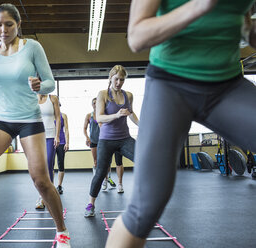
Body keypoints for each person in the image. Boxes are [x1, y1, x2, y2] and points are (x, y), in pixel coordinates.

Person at [106, 1, 256, 247]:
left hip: (228, 86)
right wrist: (200, 5)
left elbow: (244, 22)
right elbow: (136, 37)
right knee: (145, 208)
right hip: (170, 86)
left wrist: (247, 30)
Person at [0, 4, 71, 248]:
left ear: (18, 25)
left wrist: (38, 86)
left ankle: (62, 232)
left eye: (9, 24)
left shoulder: (32, 47)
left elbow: (50, 83)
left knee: (41, 180)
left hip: (30, 119)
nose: (3, 29)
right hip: (0, 118)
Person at [84, 65, 139, 218]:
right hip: (106, 140)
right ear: (110, 78)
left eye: (122, 80)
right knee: (101, 172)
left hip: (124, 138)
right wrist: (116, 115)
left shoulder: (129, 95)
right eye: (116, 79)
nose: (119, 82)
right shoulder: (103, 94)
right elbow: (99, 117)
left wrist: (142, 125)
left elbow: (131, 114)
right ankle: (91, 204)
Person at [83, 98, 118, 190]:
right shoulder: (88, 116)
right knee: (96, 161)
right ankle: (98, 179)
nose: (95, 105)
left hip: (104, 140)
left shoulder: (104, 115)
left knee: (106, 162)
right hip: (93, 141)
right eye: (94, 103)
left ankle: (106, 179)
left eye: (96, 103)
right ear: (92, 105)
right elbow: (84, 128)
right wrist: (87, 138)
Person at [36, 93, 61, 208]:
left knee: (49, 165)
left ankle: (48, 196)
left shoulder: (53, 98)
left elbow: (58, 117)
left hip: (50, 136)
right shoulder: (32, 98)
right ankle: (41, 196)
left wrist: (57, 136)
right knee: (39, 167)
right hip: (36, 135)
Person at [55, 111, 69, 194]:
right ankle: (51, 186)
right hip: (50, 141)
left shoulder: (63, 115)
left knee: (61, 164)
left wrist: (67, 143)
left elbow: (66, 130)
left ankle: (59, 186)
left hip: (61, 142)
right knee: (49, 164)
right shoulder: (48, 115)